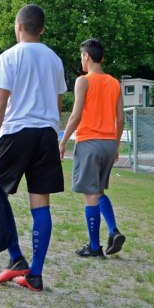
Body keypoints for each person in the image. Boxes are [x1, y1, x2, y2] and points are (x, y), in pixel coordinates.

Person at [0, 4, 67, 292]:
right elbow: (58, 103)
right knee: (41, 203)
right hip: (46, 134)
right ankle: (36, 275)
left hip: (16, 132)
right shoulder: (55, 59)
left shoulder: (10, 56)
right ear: (41, 28)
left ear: (18, 26)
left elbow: (0, 102)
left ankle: (17, 257)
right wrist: (54, 135)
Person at [59, 38, 126, 258]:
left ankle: (95, 247)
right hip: (108, 144)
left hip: (89, 142)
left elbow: (76, 115)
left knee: (90, 195)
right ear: (102, 57)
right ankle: (113, 230)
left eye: (81, 57)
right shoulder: (115, 83)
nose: (81, 61)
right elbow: (120, 119)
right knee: (98, 191)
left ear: (87, 56)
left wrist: (62, 142)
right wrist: (115, 145)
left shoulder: (83, 81)